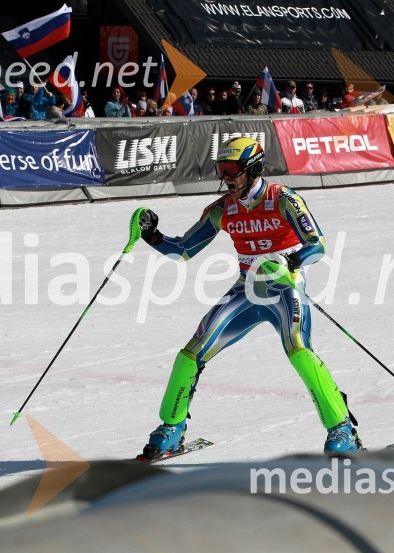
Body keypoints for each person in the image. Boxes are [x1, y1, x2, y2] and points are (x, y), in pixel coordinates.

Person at [135, 137, 362, 459]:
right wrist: (152, 235)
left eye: (232, 170)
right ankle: (172, 428)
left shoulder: (283, 198)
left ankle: (342, 429)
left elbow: (317, 245)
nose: (226, 178)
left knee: (299, 350)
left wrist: (290, 261)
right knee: (190, 355)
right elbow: (182, 251)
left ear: (253, 169)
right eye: (221, 169)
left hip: (285, 286)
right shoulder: (221, 209)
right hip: (247, 289)